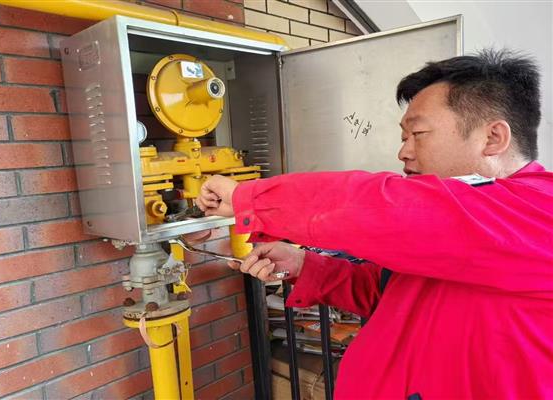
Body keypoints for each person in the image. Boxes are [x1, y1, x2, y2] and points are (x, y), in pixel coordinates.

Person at [195, 49, 553, 399]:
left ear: (493, 138)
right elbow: (395, 294)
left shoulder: (540, 213)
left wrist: (248, 198)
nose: (404, 152)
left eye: (418, 134)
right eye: (404, 138)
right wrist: (304, 265)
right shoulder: (468, 229)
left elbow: (385, 206)